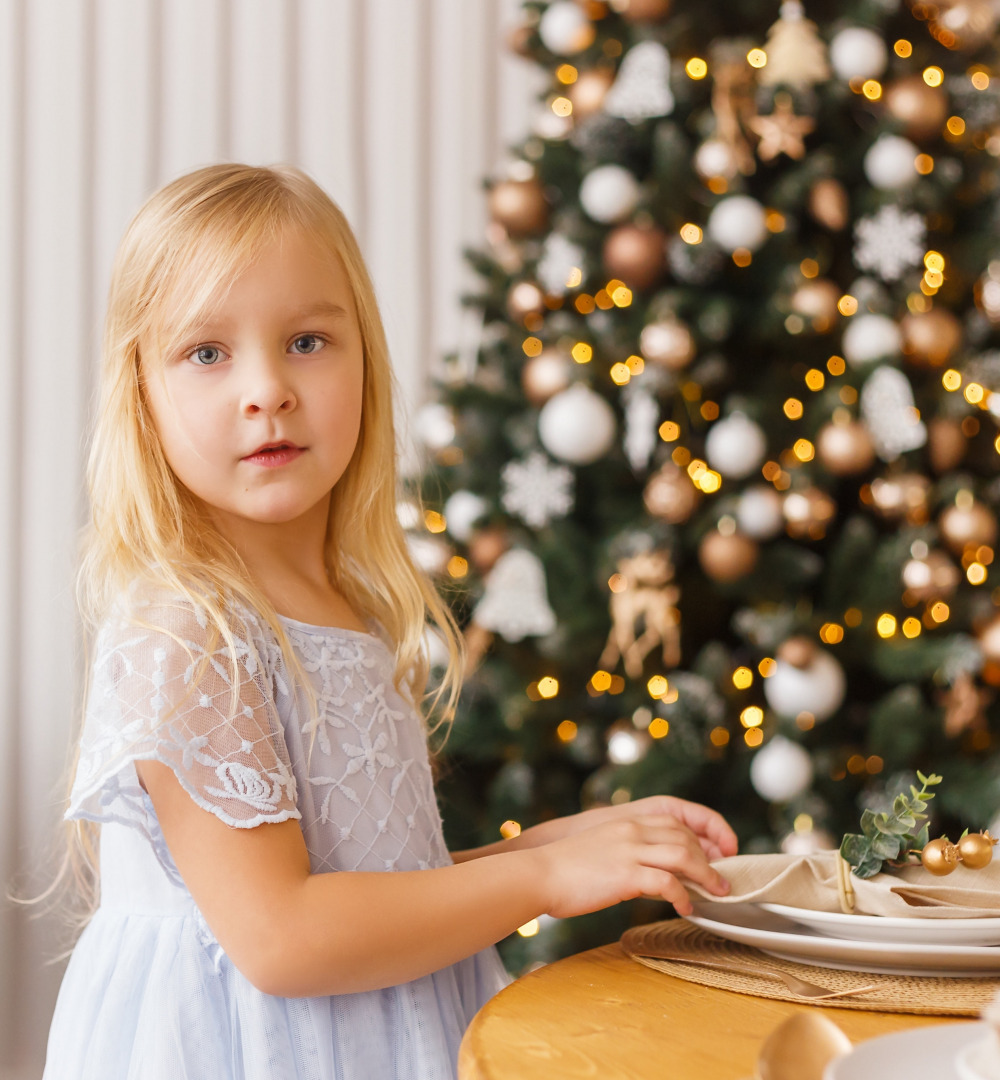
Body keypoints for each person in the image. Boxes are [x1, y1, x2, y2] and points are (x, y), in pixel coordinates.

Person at [37, 162, 738, 1079]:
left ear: (365, 355)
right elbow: (282, 937)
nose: (267, 390)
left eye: (308, 341)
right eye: (207, 353)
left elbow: (381, 884)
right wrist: (540, 879)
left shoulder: (347, 605)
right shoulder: (190, 630)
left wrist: (566, 844)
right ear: (141, 394)